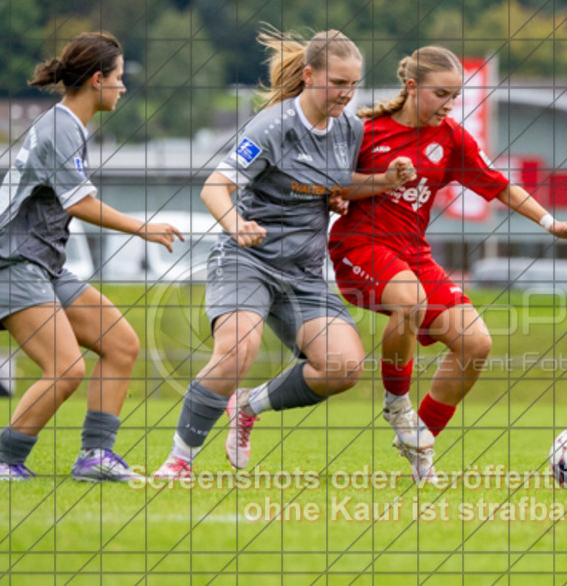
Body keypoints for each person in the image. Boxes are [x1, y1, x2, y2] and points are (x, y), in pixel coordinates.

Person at [153, 28, 414, 481]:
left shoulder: (349, 128)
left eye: (354, 84)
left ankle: (249, 406)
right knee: (237, 350)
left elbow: (334, 184)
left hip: (304, 271)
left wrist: (384, 180)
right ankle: (179, 460)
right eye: (338, 83)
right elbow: (215, 187)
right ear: (310, 76)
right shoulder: (271, 126)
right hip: (247, 260)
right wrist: (236, 224)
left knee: (344, 367)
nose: (347, 94)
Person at [328, 46, 567, 481]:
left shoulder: (450, 138)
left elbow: (500, 186)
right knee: (408, 301)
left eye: (456, 95)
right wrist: (377, 183)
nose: (450, 104)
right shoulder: (364, 131)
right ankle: (397, 405)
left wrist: (549, 222)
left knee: (476, 343)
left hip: (412, 252)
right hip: (360, 246)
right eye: (441, 94)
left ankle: (420, 446)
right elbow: (333, 186)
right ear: (412, 88)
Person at [0, 32, 183, 481]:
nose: (123, 87)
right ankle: (4, 463)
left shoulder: (67, 125)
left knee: (121, 344)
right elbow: (79, 204)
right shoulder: (60, 127)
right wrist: (143, 227)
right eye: (119, 78)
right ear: (97, 79)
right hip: (8, 262)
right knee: (66, 369)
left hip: (39, 265)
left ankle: (96, 458)